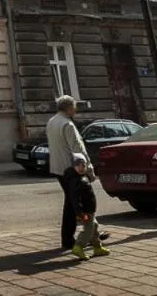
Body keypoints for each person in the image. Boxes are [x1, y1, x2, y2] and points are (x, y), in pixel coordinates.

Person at [46, 94, 91, 250]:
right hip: (72, 169)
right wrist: (88, 168)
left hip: (58, 168)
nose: (76, 109)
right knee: (80, 202)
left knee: (71, 202)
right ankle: (82, 236)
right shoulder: (67, 124)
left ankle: (77, 236)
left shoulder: (52, 122)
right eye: (74, 106)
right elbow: (77, 149)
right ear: (69, 107)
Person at [67, 153, 111, 259]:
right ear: (74, 166)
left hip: (90, 210)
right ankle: (78, 247)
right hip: (85, 211)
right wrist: (80, 213)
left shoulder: (83, 177)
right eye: (79, 165)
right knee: (88, 230)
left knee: (94, 227)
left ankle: (97, 247)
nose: (82, 167)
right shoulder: (75, 180)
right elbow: (75, 199)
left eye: (84, 165)